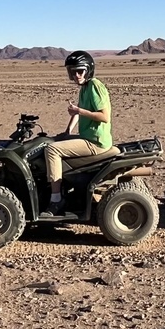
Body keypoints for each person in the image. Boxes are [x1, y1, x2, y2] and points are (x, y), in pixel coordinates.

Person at [41, 51, 113, 217]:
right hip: (87, 137)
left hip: (96, 142)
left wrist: (79, 110)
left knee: (52, 150)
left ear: (88, 70)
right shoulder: (85, 88)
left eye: (80, 71)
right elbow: (78, 113)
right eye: (73, 72)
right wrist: (67, 132)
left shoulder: (95, 86)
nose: (76, 75)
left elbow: (104, 117)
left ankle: (56, 199)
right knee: (50, 142)